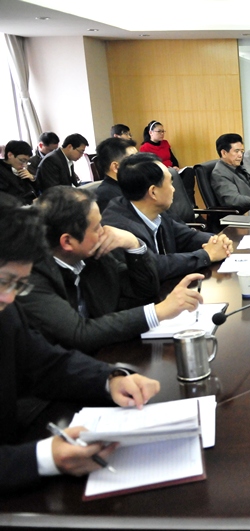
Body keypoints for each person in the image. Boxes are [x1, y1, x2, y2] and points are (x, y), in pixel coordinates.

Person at [0, 193, 161, 493]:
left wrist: (110, 380)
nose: (9, 297)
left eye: (17, 285)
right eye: (4, 281)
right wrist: (44, 457)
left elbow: (49, 364)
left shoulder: (6, 312)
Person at [19, 186, 204, 353]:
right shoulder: (29, 276)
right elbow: (79, 333)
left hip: (105, 355)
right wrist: (159, 312)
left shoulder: (93, 253)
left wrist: (134, 245)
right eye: (96, 227)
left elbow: (143, 292)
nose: (105, 230)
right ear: (67, 241)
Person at [102, 153, 232, 281]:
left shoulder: (156, 211)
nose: (174, 189)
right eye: (170, 183)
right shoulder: (120, 226)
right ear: (153, 192)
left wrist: (217, 241)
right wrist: (206, 255)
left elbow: (186, 237)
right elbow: (155, 266)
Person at [211, 133, 250, 212]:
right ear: (224, 153)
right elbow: (234, 200)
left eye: (242, 151)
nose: (240, 155)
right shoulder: (219, 173)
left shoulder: (238, 167)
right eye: (236, 151)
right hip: (244, 214)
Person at [95, 137, 138, 211]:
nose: (141, 163)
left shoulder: (129, 185)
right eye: (134, 160)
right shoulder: (107, 195)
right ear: (116, 167)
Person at [0, 140, 37, 205]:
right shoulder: (2, 172)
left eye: (27, 162)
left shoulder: (20, 169)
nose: (24, 165)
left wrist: (32, 178)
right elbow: (5, 199)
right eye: (22, 160)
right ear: (10, 155)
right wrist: (30, 202)